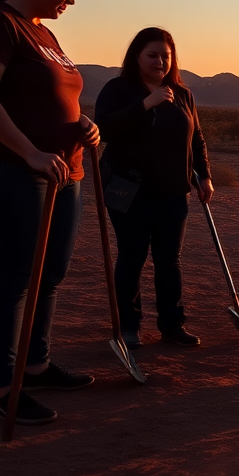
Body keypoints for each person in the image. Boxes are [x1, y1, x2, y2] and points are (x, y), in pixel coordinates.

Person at [0, 0, 100, 426]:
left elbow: (53, 96)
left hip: (65, 170)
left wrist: (83, 124)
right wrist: (31, 151)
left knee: (51, 275)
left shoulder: (44, 34)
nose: (71, 0)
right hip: (14, 169)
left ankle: (34, 365)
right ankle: (4, 387)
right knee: (18, 278)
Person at [94, 28, 213, 348]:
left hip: (173, 191)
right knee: (131, 257)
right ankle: (128, 327)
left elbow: (197, 138)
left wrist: (204, 174)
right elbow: (104, 128)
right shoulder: (118, 89)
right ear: (137, 56)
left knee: (169, 260)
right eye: (152, 55)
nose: (160, 61)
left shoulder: (183, 94)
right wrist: (146, 103)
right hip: (129, 190)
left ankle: (172, 325)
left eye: (166, 56)